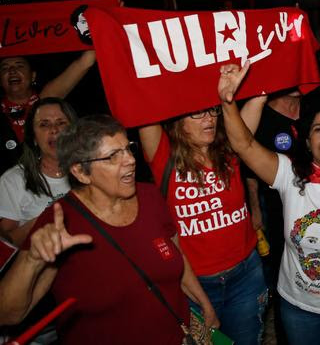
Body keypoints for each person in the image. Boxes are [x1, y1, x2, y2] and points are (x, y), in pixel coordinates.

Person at [0, 115, 218, 344]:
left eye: (128, 149)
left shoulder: (150, 196)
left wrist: (203, 303)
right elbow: (9, 314)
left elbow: (176, 255)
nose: (130, 160)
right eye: (113, 156)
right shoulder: (60, 221)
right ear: (81, 172)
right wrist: (32, 260)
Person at [219, 62, 320, 345]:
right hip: (299, 308)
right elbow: (243, 145)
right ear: (308, 142)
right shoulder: (290, 175)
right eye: (318, 129)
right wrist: (228, 101)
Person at [139, 98, 266, 344]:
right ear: (177, 122)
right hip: (194, 285)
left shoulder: (229, 148)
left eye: (212, 110)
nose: (208, 118)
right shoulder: (163, 155)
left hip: (245, 277)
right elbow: (144, 103)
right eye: (196, 113)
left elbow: (258, 96)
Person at [0, 51, 97, 173]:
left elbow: (85, 62)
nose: (12, 71)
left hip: (53, 176)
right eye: (5, 68)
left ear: (33, 76)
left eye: (19, 65)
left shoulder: (45, 98)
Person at [0, 98, 77, 245]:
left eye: (61, 123)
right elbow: (8, 242)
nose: (54, 129)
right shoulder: (14, 180)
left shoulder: (93, 172)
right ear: (34, 137)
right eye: (44, 124)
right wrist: (48, 217)